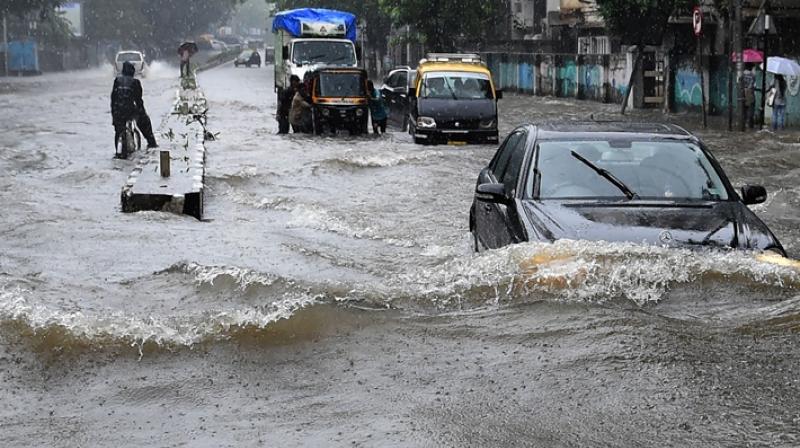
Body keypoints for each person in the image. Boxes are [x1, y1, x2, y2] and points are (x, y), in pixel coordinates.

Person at [111, 61, 158, 149]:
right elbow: (139, 101)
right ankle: (151, 143)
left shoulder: (116, 81)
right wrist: (143, 114)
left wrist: (114, 116)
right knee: (144, 121)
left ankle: (117, 148)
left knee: (118, 129)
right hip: (129, 110)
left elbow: (113, 99)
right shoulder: (135, 82)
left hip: (117, 111)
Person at [742, 63, 756, 129]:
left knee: (743, 109)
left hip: (743, 93)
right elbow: (752, 85)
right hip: (750, 93)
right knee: (751, 110)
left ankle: (743, 124)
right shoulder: (752, 75)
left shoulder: (742, 74)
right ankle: (750, 125)